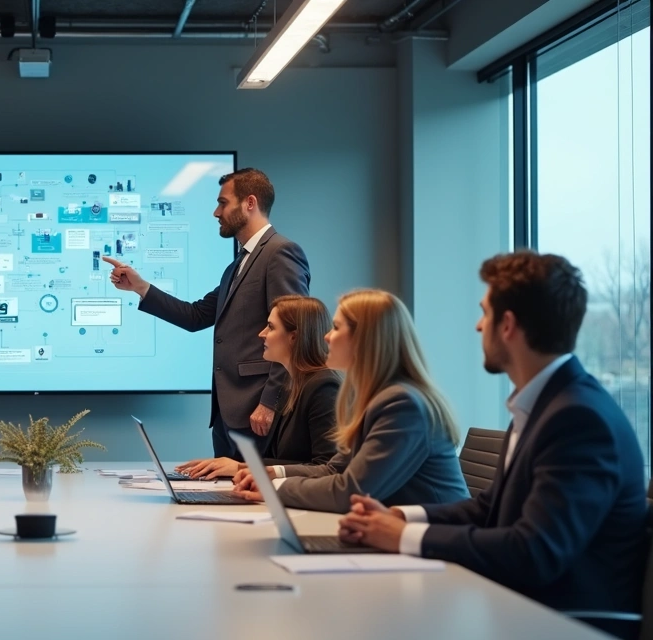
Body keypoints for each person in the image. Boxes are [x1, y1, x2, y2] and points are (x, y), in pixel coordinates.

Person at [337, 252, 647, 637]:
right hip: (516, 606)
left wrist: (404, 537)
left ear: (508, 326)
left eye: (485, 313)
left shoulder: (579, 419)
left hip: (560, 623)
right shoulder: (547, 403)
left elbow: (534, 552)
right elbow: (491, 508)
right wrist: (402, 517)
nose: (477, 325)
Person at [104, 168, 309, 458]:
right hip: (229, 416)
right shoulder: (237, 265)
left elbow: (294, 333)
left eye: (223, 202)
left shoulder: (280, 253)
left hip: (258, 413)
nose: (216, 212)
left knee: (254, 498)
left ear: (250, 203)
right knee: (226, 499)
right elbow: (195, 315)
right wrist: (140, 287)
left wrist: (270, 402)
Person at [231, 289, 469, 513]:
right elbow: (334, 469)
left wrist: (273, 488)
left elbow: (351, 491)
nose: (326, 336)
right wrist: (269, 476)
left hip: (436, 545)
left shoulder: (402, 404)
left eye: (335, 327)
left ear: (364, 338)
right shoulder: (378, 396)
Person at [176, 295, 340, 479]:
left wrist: (241, 468)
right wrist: (234, 465)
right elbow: (286, 460)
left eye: (270, 327)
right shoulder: (291, 384)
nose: (261, 334)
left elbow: (327, 467)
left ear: (293, 336)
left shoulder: (324, 387)